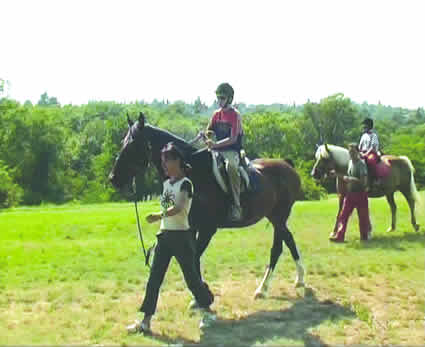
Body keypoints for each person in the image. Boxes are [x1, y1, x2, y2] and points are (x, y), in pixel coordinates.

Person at [127, 142, 215, 334]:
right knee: (154, 279)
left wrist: (158, 215)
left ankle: (208, 311)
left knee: (192, 280)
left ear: (177, 161)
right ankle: (145, 321)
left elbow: (179, 208)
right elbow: (168, 206)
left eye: (166, 161)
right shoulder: (166, 184)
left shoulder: (186, 184)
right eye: (162, 161)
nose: (164, 165)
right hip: (165, 237)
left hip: (182, 238)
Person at [205, 82, 244, 221]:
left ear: (229, 99)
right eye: (218, 97)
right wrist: (206, 136)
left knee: (231, 167)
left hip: (231, 152)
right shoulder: (216, 115)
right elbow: (209, 130)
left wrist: (215, 145)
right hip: (216, 150)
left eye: (222, 97)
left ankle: (237, 206)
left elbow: (233, 139)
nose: (219, 100)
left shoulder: (235, 115)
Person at [329, 143, 372, 243]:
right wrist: (336, 175)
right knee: (343, 216)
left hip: (361, 194)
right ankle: (339, 236)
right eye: (350, 152)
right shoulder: (350, 163)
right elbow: (346, 177)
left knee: (363, 218)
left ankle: (364, 237)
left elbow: (363, 182)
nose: (351, 154)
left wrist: (350, 179)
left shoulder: (361, 165)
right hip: (350, 195)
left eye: (353, 152)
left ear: (358, 152)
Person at [359, 117, 380, 187]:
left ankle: (375, 179)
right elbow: (360, 146)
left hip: (371, 153)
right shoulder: (363, 136)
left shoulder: (374, 136)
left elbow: (372, 147)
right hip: (363, 152)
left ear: (369, 126)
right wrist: (358, 152)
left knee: (371, 160)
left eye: (365, 126)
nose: (363, 127)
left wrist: (365, 154)